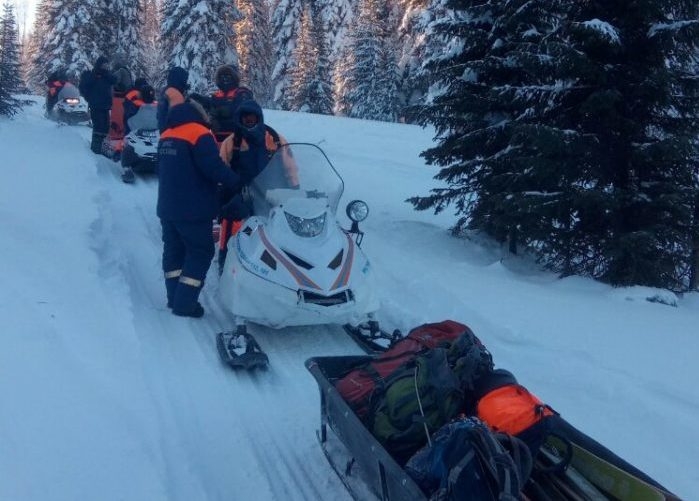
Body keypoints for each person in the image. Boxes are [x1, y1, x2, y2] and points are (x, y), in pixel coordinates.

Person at [157, 99, 250, 318]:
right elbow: (213, 167)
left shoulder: (166, 135)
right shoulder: (199, 134)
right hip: (193, 208)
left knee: (174, 252)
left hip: (167, 207)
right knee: (200, 251)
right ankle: (185, 303)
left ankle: (174, 298)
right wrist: (238, 183)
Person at [216, 99, 298, 273]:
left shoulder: (275, 139)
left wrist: (295, 190)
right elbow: (221, 170)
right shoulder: (231, 142)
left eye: (252, 119)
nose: (249, 122)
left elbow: (290, 166)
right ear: (239, 119)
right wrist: (222, 200)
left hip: (272, 192)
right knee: (231, 223)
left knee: (282, 230)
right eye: (245, 119)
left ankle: (284, 265)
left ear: (259, 118)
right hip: (242, 193)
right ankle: (224, 259)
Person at [190, 65, 253, 144]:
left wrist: (219, 111)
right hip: (216, 138)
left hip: (236, 138)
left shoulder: (242, 93)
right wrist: (198, 98)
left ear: (234, 78)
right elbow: (211, 103)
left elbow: (241, 109)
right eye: (222, 76)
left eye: (228, 76)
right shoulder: (217, 95)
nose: (224, 78)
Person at [79, 56, 117, 154]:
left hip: (105, 106)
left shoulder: (107, 76)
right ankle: (96, 150)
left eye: (106, 65)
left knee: (106, 127)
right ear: (99, 65)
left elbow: (114, 80)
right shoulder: (92, 75)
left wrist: (106, 74)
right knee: (98, 127)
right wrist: (89, 98)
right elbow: (83, 87)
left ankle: (103, 149)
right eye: (103, 65)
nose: (105, 67)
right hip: (96, 106)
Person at [157, 66, 189, 133]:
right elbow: (179, 117)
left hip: (165, 132)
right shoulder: (175, 94)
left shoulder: (166, 90)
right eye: (185, 79)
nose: (186, 82)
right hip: (174, 134)